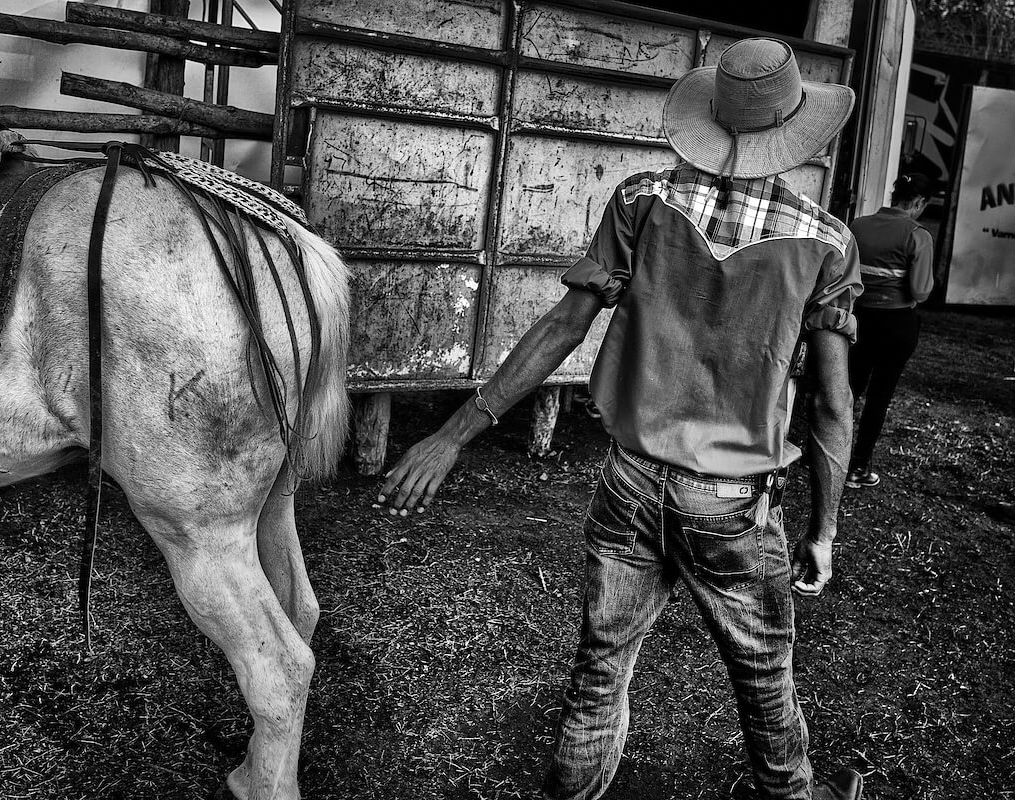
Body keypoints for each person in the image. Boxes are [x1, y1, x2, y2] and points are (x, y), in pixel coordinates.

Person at [380, 38, 865, 800]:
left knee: (601, 665)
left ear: (711, 118)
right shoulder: (827, 242)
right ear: (795, 130)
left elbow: (563, 326)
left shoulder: (642, 201)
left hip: (630, 482)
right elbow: (834, 405)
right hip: (731, 505)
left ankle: (570, 791)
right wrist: (824, 531)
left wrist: (455, 432)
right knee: (765, 677)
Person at [844, 173, 935, 488]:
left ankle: (831, 459)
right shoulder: (918, 235)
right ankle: (858, 469)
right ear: (919, 202)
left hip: (860, 319)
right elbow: (921, 291)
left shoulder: (858, 225)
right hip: (896, 325)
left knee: (849, 392)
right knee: (879, 398)